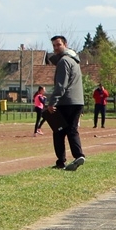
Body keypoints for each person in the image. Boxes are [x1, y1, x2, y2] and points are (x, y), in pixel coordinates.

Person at [45, 35, 85, 171]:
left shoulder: (64, 61)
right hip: (78, 101)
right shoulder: (75, 61)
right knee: (72, 130)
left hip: (65, 102)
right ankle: (79, 155)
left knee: (59, 131)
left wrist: (52, 102)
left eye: (58, 45)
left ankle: (60, 162)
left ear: (65, 44)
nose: (56, 48)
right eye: (54, 46)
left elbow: (61, 85)